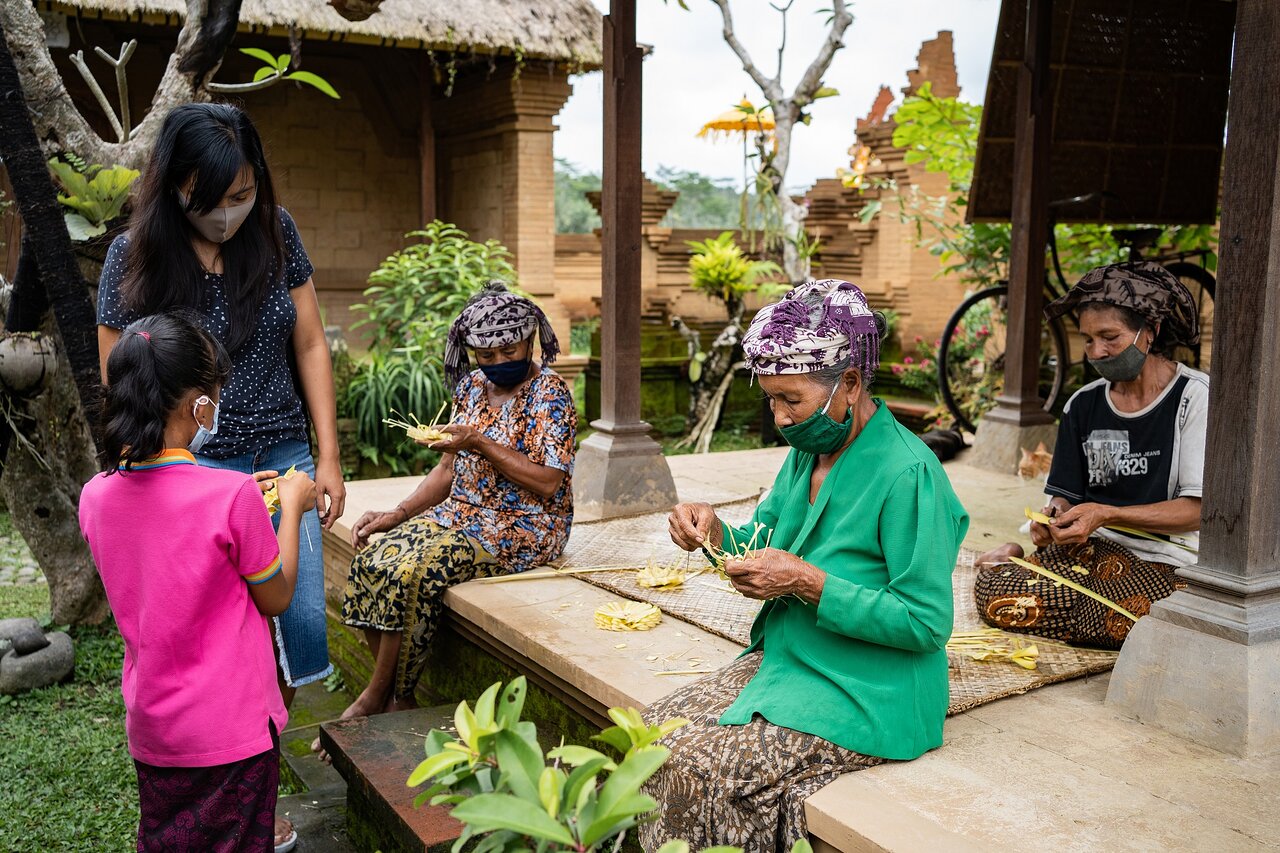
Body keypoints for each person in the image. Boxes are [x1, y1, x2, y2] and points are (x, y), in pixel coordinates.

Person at [642, 279, 969, 852]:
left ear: (849, 382)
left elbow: (924, 623)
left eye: (791, 399)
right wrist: (715, 532)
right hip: (793, 661)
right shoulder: (806, 455)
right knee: (651, 734)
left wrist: (808, 583)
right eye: (771, 399)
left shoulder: (908, 474)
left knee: (705, 770)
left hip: (869, 689)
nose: (781, 417)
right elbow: (765, 539)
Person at [79, 313, 317, 853]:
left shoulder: (94, 496)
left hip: (155, 728)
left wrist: (241, 508)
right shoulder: (230, 497)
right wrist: (293, 508)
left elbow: (163, 544)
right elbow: (275, 597)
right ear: (196, 406)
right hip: (232, 731)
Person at [337, 282, 575, 722]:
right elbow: (447, 471)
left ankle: (379, 698)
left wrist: (481, 442)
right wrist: (397, 514)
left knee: (418, 571)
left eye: (509, 351)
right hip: (460, 514)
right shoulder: (469, 389)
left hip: (524, 526)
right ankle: (395, 697)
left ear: (530, 339)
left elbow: (548, 483)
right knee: (375, 560)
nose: (499, 363)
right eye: (487, 356)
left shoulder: (551, 394)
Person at [974, 261, 1207, 648]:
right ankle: (1011, 558)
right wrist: (1054, 519)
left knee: (1134, 622)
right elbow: (1067, 497)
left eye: (1110, 337)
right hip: (1091, 550)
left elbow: (1197, 511)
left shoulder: (1194, 398)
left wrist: (1107, 513)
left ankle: (1026, 578)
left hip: (1167, 560)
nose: (1097, 351)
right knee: (998, 602)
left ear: (1150, 331)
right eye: (1087, 339)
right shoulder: (1083, 405)